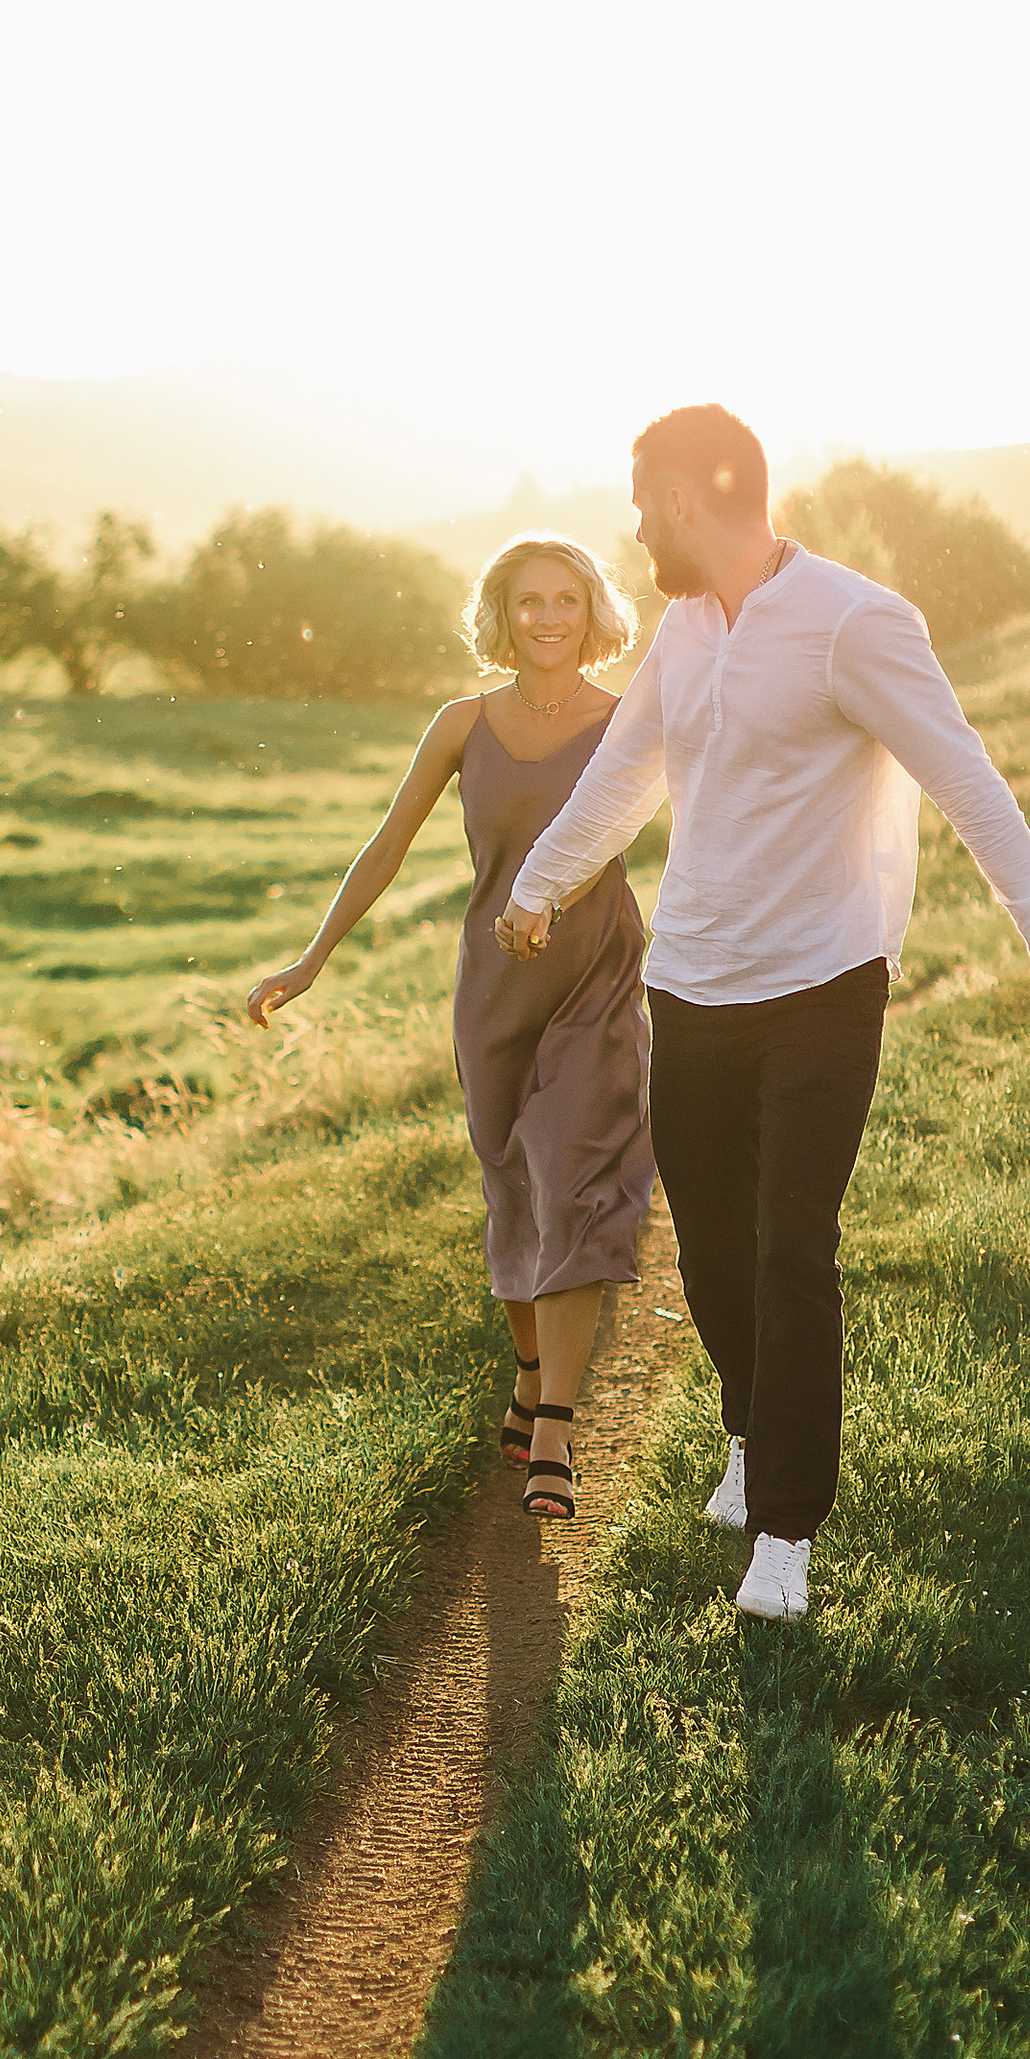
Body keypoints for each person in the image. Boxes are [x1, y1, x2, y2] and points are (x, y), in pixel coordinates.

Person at [496, 402, 1030, 1622]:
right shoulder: (682, 628)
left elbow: (962, 776)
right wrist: (539, 886)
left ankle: (785, 1531)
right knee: (717, 1253)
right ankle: (748, 1428)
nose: (631, 533)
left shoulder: (854, 622)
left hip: (824, 984)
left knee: (791, 1251)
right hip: (695, 979)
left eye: (637, 506)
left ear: (682, 500)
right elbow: (628, 771)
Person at [246, 538, 654, 1519]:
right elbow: (387, 847)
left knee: (579, 1182)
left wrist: (559, 894)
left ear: (593, 612)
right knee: (511, 1189)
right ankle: (527, 1364)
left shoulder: (631, 721)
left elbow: (621, 830)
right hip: (491, 990)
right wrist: (312, 958)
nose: (548, 618)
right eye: (528, 602)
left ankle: (554, 1425)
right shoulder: (460, 724)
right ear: (500, 616)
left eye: (566, 600)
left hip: (594, 975)